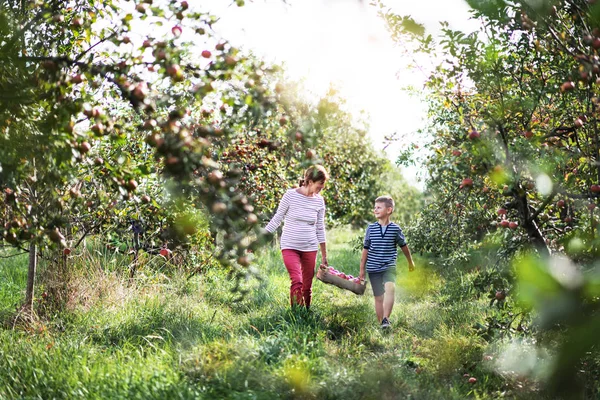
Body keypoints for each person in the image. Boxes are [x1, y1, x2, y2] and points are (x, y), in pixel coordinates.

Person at [265, 165, 329, 309]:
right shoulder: (290, 195)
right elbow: (277, 219)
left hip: (310, 247)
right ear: (310, 181)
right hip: (290, 245)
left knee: (307, 286)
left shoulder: (319, 201)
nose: (321, 188)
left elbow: (320, 228)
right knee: (297, 281)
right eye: (320, 185)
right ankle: (296, 315)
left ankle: (305, 314)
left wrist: (324, 255)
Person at [359, 195, 415, 329]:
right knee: (378, 297)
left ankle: (386, 319)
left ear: (389, 210)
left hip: (389, 266)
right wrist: (362, 269)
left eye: (379, 207)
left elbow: (404, 246)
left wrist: (410, 262)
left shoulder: (395, 229)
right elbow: (365, 249)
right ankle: (381, 324)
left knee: (390, 288)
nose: (375, 210)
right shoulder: (371, 229)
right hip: (373, 267)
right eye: (374, 207)